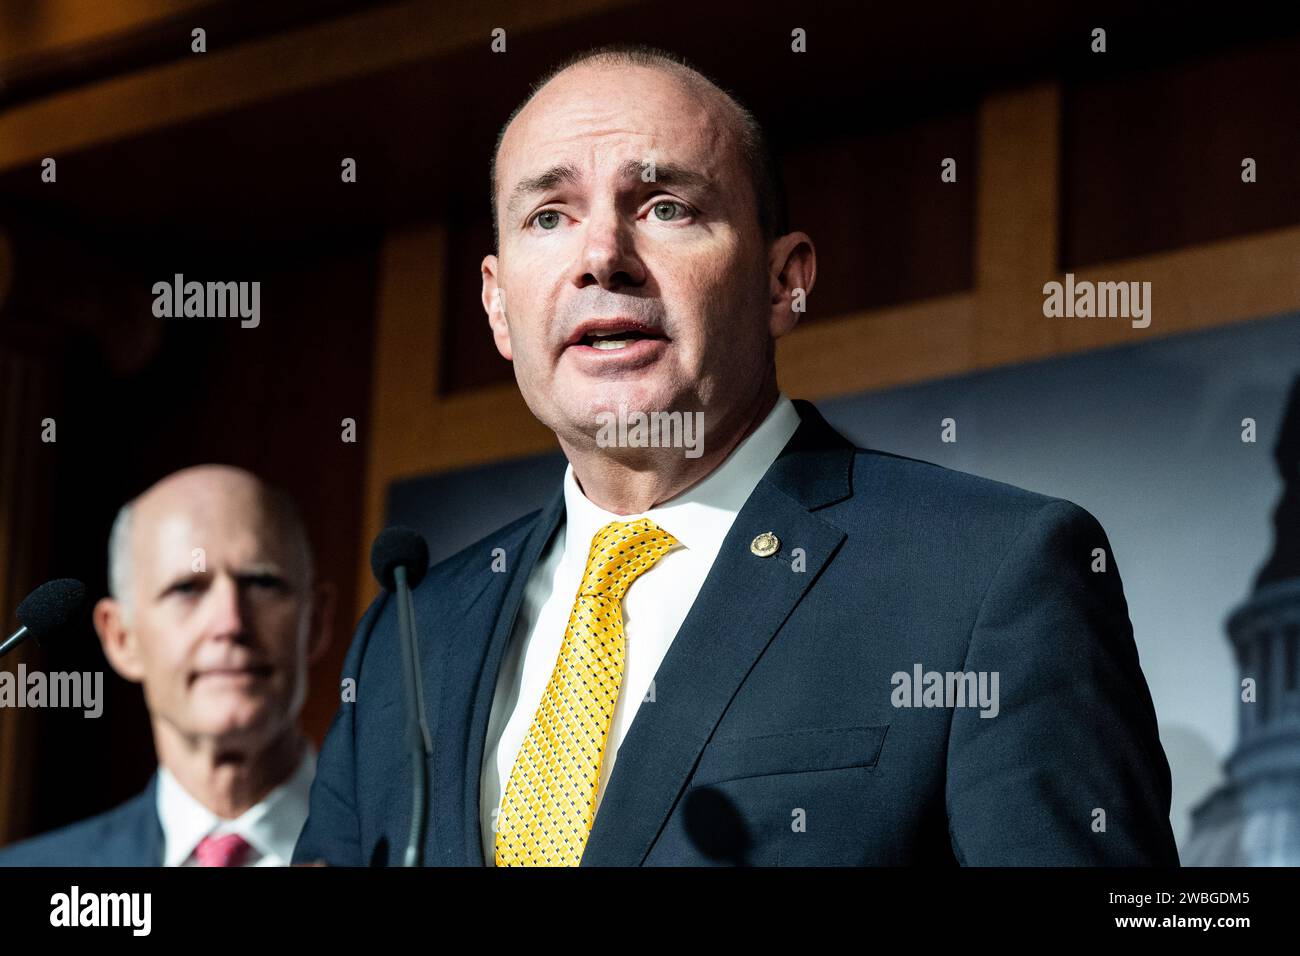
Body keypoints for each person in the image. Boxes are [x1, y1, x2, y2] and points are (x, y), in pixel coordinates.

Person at [295, 43, 1179, 866]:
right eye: (548, 215)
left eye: (666, 207)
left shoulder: (989, 577)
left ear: (782, 280)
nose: (603, 256)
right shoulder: (407, 639)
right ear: (497, 307)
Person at [0, 465, 332, 866]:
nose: (230, 623)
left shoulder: (411, 851)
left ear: (315, 622)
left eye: (261, 582)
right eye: (187, 588)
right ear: (121, 638)